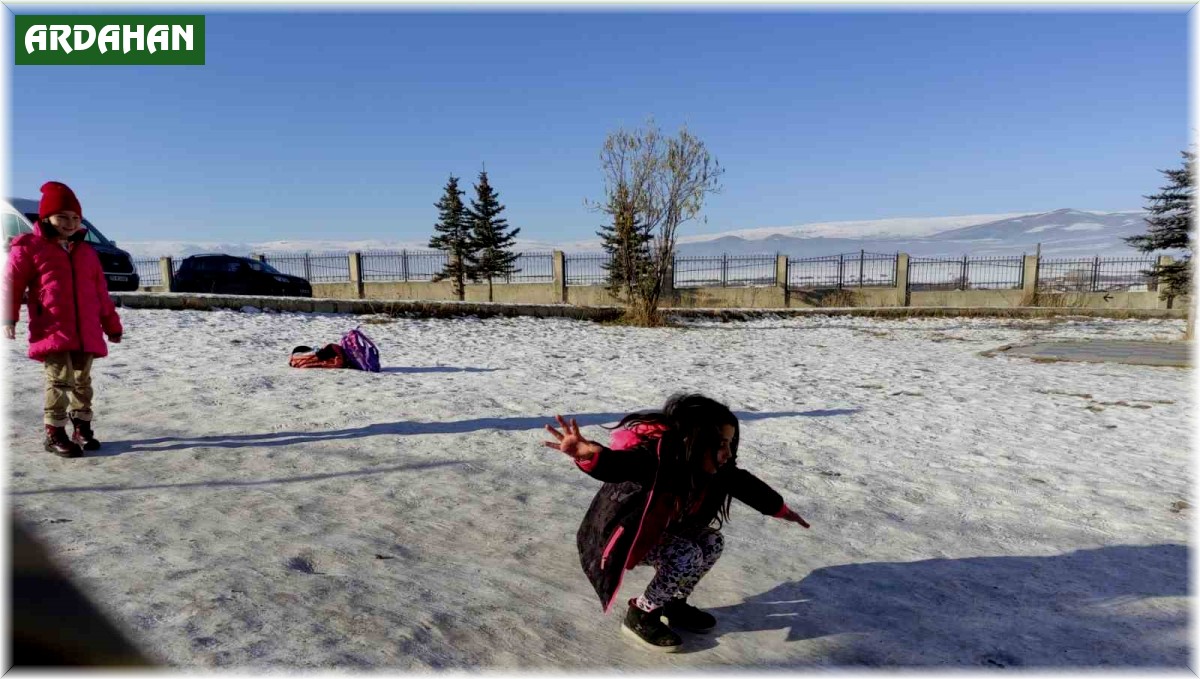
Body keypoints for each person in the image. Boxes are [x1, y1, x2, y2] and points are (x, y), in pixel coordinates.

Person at [542, 393, 809, 652]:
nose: (728, 452)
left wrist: (780, 509)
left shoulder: (716, 468)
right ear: (694, 441)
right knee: (687, 554)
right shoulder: (655, 459)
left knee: (712, 542)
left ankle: (673, 602)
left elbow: (745, 485)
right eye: (720, 444)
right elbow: (620, 465)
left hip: (662, 531)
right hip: (627, 535)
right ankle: (641, 614)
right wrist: (589, 455)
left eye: (730, 443)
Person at [4, 181, 123, 457]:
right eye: (62, 217)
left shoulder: (86, 253)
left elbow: (100, 294)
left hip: (87, 330)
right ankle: (54, 431)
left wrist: (112, 326)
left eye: (75, 218)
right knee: (60, 381)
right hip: (52, 329)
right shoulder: (29, 247)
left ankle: (81, 426)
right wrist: (8, 318)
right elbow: (11, 285)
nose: (70, 223)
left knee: (82, 381)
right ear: (46, 218)